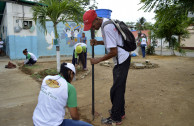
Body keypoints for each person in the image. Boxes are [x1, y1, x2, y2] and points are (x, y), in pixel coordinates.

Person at [83, 10, 131, 125]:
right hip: (122, 60)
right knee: (118, 89)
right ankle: (120, 112)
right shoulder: (106, 23)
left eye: (92, 25)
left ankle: (116, 118)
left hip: (121, 60)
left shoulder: (107, 27)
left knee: (115, 91)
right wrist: (98, 42)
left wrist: (97, 60)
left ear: (96, 19)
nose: (92, 28)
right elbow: (112, 42)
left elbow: (113, 52)